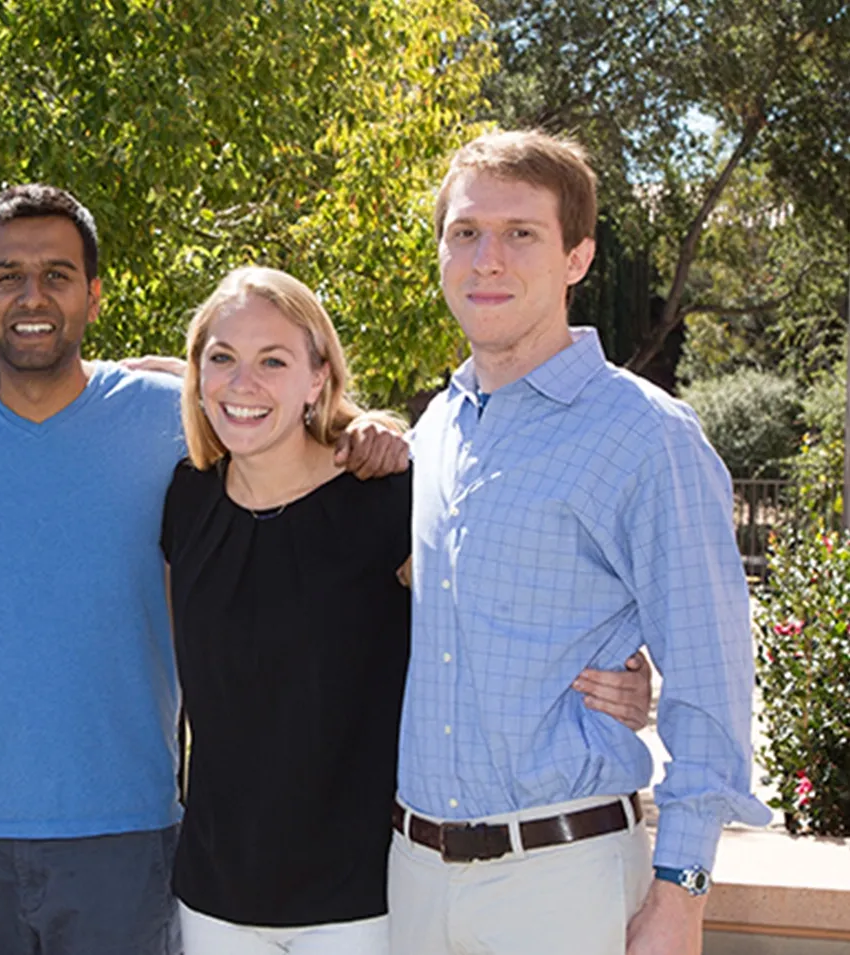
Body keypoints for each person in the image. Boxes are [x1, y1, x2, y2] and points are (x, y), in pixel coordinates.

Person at [0, 184, 419, 955]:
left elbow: (256, 404)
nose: (34, 296)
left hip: (128, 828)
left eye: (58, 275)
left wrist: (364, 427)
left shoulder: (167, 421)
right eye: (7, 276)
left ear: (95, 295)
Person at [162, 266, 652, 955]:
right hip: (215, 890)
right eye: (222, 358)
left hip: (366, 895)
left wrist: (610, 673)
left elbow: (502, 620)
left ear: (318, 376)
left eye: (273, 360)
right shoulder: (186, 500)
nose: (243, 383)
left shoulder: (394, 500)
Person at [390, 130, 771, 955]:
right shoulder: (438, 428)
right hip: (413, 879)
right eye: (465, 232)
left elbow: (712, 680)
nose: (487, 258)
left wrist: (684, 898)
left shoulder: (646, 434)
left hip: (561, 881)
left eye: (521, 233)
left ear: (578, 257)